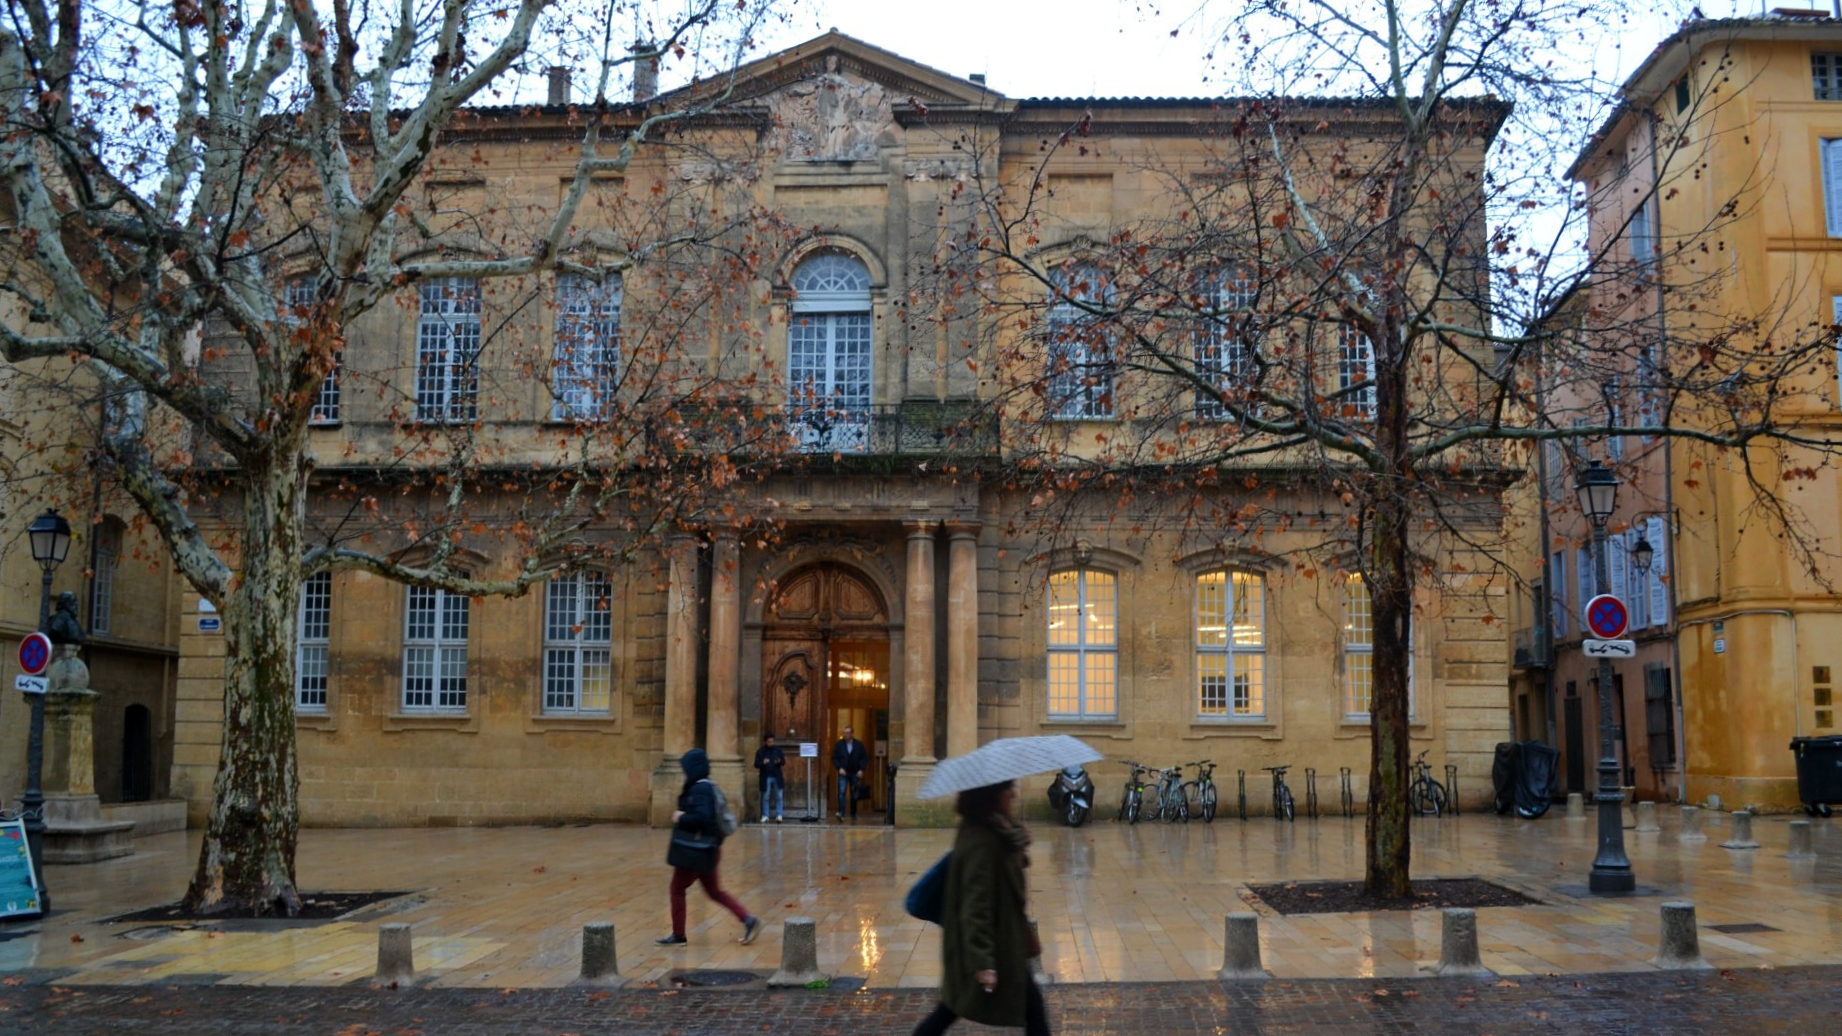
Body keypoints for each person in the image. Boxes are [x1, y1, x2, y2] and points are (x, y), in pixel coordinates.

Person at [911, 780, 1050, 1036]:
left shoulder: (995, 830)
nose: (1014, 795)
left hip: (1001, 941)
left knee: (952, 1008)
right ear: (993, 795)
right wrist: (983, 962)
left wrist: (1018, 848)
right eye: (1009, 789)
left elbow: (1003, 873)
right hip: (992, 947)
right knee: (1030, 1009)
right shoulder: (980, 839)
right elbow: (976, 906)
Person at [657, 748, 761, 946]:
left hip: (697, 851)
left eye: (685, 768)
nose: (683, 772)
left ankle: (678, 935)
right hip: (708, 850)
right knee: (714, 891)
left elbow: (703, 817)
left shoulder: (700, 788)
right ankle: (749, 920)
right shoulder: (703, 786)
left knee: (677, 888)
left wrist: (681, 817)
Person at [831, 726, 868, 821]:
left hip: (855, 772)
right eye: (844, 733)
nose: (845, 735)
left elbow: (864, 758)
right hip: (843, 771)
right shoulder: (839, 745)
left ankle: (853, 813)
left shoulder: (859, 745)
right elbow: (834, 757)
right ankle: (841, 813)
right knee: (842, 792)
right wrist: (839, 768)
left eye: (847, 733)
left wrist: (861, 769)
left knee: (854, 793)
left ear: (852, 734)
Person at [754, 734, 787, 823]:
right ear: (765, 742)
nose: (771, 743)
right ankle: (765, 815)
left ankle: (779, 815)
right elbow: (756, 764)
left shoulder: (778, 750)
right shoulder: (761, 751)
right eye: (769, 742)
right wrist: (762, 763)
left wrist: (779, 761)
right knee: (766, 796)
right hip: (766, 776)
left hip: (777, 776)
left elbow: (783, 762)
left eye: (772, 741)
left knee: (779, 796)